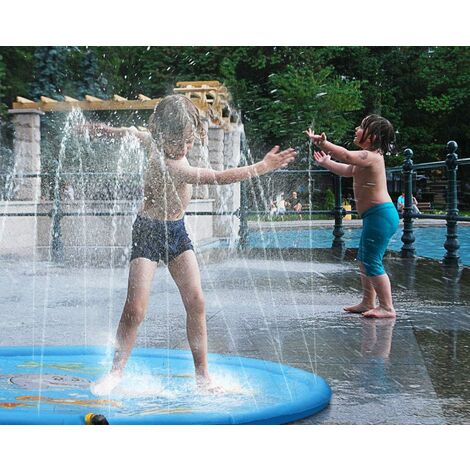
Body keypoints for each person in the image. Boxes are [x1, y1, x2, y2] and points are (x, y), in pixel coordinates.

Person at [83, 94, 296, 395]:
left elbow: (131, 133)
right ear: (160, 134)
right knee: (136, 308)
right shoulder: (164, 157)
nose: (184, 149)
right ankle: (116, 373)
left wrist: (104, 130)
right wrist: (261, 167)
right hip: (148, 232)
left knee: (196, 302)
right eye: (178, 142)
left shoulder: (169, 154)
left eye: (188, 142)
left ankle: (203, 376)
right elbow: (220, 177)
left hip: (177, 232)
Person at [306, 114, 399, 319]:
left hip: (380, 216)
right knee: (364, 260)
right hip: (375, 217)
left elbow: (347, 156)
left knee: (372, 260)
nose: (356, 129)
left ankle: (387, 307)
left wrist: (325, 144)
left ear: (372, 136)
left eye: (361, 126)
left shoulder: (371, 156)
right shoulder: (364, 158)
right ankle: (368, 301)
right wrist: (327, 163)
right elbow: (348, 169)